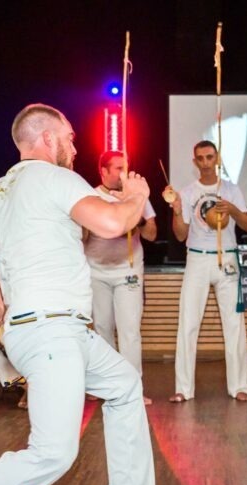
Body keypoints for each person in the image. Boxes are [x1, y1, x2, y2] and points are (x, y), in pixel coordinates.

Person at [0, 103, 155, 485]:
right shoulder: (56, 178)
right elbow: (111, 224)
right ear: (48, 138)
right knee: (53, 453)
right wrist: (136, 196)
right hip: (54, 331)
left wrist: (4, 321)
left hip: (47, 329)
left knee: (124, 384)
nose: (74, 144)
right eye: (69, 136)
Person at [167, 140, 247, 402]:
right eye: (200, 158)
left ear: (217, 159)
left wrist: (233, 209)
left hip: (226, 256)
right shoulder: (187, 192)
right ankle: (184, 388)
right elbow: (181, 235)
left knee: (234, 324)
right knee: (188, 323)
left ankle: (239, 386)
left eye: (210, 157)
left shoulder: (231, 189)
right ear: (195, 162)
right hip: (197, 258)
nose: (205, 162)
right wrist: (177, 212)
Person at [85, 150, 157, 405]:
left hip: (128, 270)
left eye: (126, 167)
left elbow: (151, 234)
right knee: (102, 328)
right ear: (103, 171)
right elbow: (82, 238)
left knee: (129, 331)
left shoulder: (136, 195)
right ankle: (106, 387)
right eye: (117, 168)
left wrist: (133, 217)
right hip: (96, 271)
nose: (123, 173)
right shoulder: (90, 196)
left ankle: (133, 388)